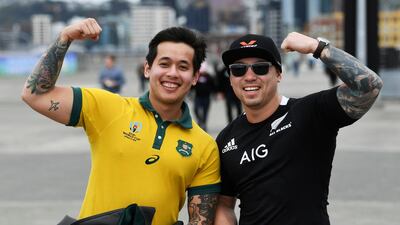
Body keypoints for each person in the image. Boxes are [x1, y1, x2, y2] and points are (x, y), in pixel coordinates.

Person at [21, 18, 220, 225]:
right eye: (164, 63)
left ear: (195, 76)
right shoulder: (107, 107)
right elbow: (34, 95)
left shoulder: (205, 147)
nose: (172, 73)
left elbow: (201, 221)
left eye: (183, 66)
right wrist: (65, 38)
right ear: (147, 69)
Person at [214, 32, 383, 225]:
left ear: (278, 74)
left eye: (260, 68)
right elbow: (224, 204)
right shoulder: (226, 139)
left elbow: (369, 87)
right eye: (238, 70)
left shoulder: (310, 113)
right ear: (230, 79)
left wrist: (317, 47)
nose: (249, 76)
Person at [192, 62, 216, 131]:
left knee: (205, 111)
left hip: (206, 97)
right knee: (196, 109)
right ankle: (200, 120)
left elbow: (213, 86)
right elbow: (192, 86)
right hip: (198, 96)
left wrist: (214, 93)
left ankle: (204, 123)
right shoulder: (197, 77)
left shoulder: (209, 77)